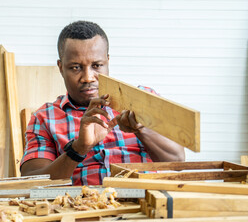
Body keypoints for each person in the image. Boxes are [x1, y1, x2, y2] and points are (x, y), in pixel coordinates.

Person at [20, 21, 185, 185]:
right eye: (76, 67)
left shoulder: (143, 100)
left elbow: (177, 161)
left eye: (96, 65)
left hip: (143, 203)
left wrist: (141, 129)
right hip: (81, 207)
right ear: (61, 67)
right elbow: (31, 181)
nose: (88, 77)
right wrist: (79, 148)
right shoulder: (45, 117)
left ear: (107, 61)